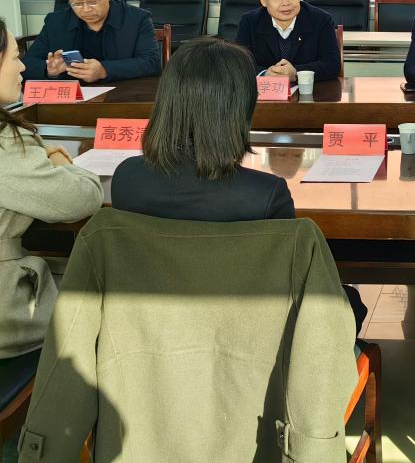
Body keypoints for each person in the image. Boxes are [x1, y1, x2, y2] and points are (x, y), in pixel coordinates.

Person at [111, 37, 366, 329]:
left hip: (153, 328)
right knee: (351, 303)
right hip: (246, 334)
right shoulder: (265, 194)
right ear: (240, 107)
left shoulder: (127, 177)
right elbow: (286, 284)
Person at [0, 16, 102, 359]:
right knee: (112, 294)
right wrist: (58, 159)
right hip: (8, 315)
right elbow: (83, 199)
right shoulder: (5, 144)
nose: (22, 67)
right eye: (14, 57)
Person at [22, 0, 161, 82]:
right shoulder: (56, 22)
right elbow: (26, 64)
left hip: (122, 94)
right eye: (76, 3)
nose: (86, 9)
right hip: (72, 98)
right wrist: (49, 70)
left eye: (92, 1)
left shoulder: (137, 19)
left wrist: (104, 70)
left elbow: (152, 63)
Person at [236, 0, 340, 82]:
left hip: (312, 91)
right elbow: (239, 64)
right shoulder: (250, 22)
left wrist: (296, 73)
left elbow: (333, 64)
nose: (286, 3)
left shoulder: (321, 20)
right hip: (265, 91)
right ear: (263, 0)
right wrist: (265, 74)